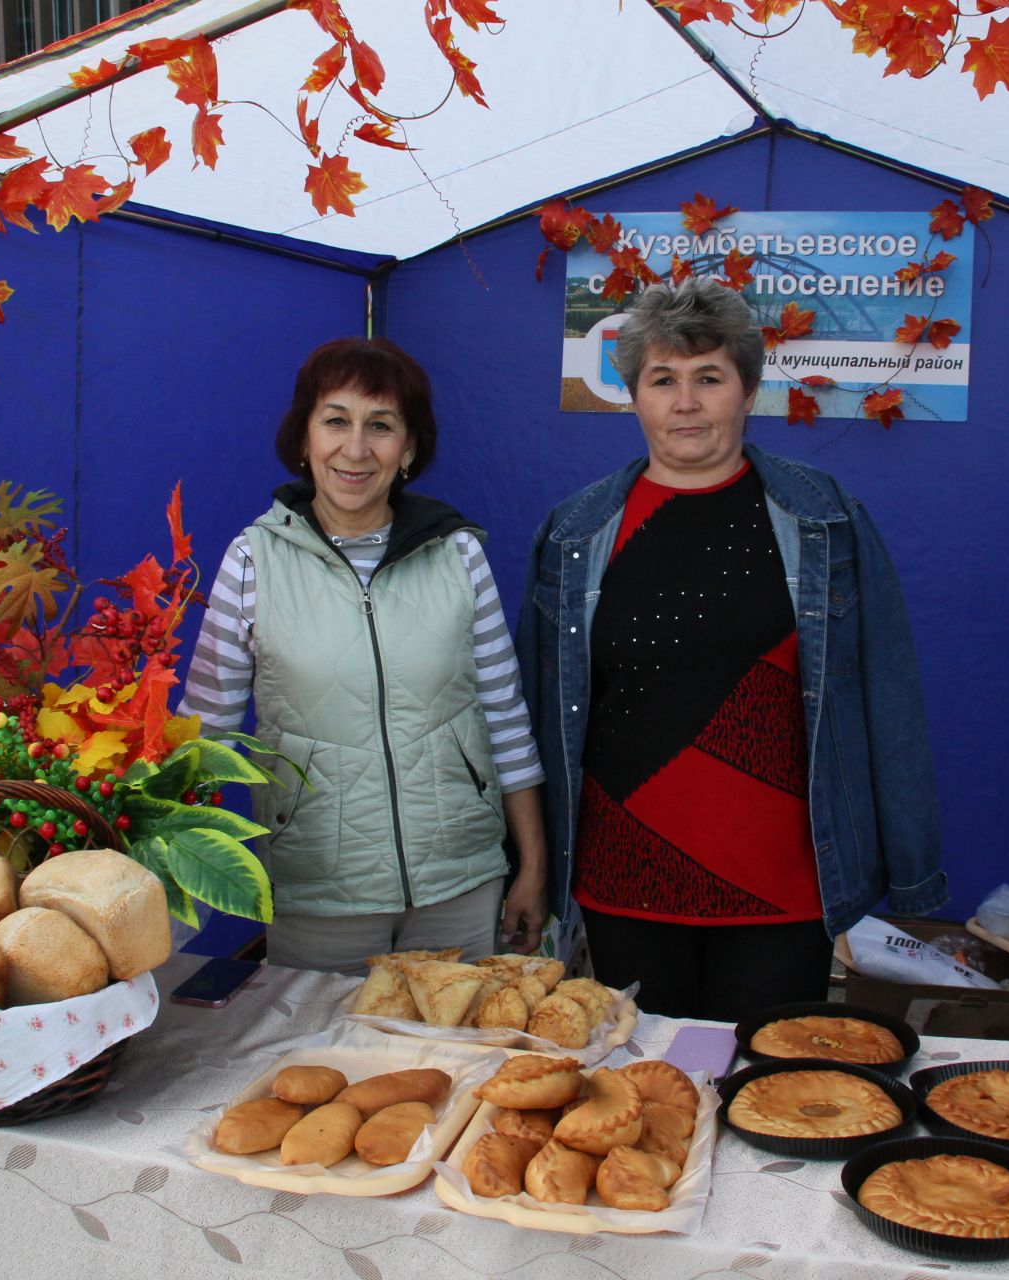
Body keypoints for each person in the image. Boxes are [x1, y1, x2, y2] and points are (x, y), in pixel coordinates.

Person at [514, 278, 945, 1022]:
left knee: (767, 1100)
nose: (686, 402)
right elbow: (532, 714)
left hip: (782, 891)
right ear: (634, 394)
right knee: (648, 1103)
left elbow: (889, 695)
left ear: (748, 390)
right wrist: (525, 868)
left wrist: (912, 879)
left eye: (709, 378)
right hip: (625, 885)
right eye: (664, 380)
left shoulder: (825, 518)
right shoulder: (575, 531)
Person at [180, 337, 547, 973]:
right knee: (326, 1067)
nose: (356, 448)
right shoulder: (251, 561)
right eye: (336, 421)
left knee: (454, 1066)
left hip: (459, 884)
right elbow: (205, 732)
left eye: (380, 426)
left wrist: (534, 868)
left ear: (407, 449)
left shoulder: (458, 554)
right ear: (304, 439)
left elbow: (505, 719)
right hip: (318, 894)